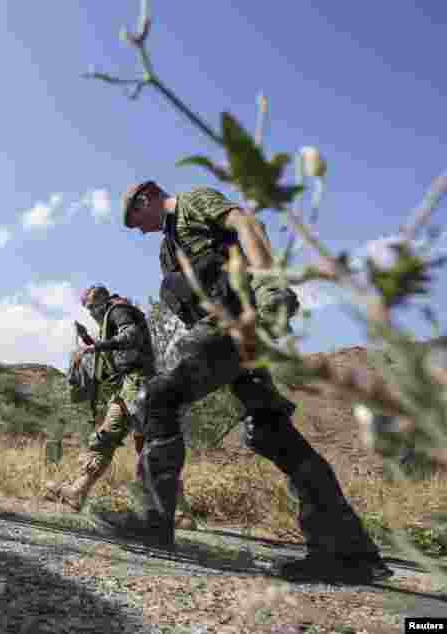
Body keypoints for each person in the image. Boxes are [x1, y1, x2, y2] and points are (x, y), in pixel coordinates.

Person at [112, 180, 391, 582]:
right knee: (271, 430)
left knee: (157, 398)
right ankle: (347, 552)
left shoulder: (192, 204)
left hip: (239, 322)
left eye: (132, 218)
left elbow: (246, 224)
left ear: (146, 197)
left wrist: (269, 286)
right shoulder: (167, 249)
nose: (135, 229)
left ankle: (151, 521)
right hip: (229, 339)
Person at [44, 285, 154, 510]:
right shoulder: (115, 313)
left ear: (101, 303)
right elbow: (114, 348)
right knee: (143, 444)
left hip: (135, 384)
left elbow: (130, 335)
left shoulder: (117, 311)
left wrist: (94, 348)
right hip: (135, 385)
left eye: (91, 308)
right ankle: (176, 511)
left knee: (114, 439)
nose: (91, 313)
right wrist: (87, 339)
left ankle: (77, 491)